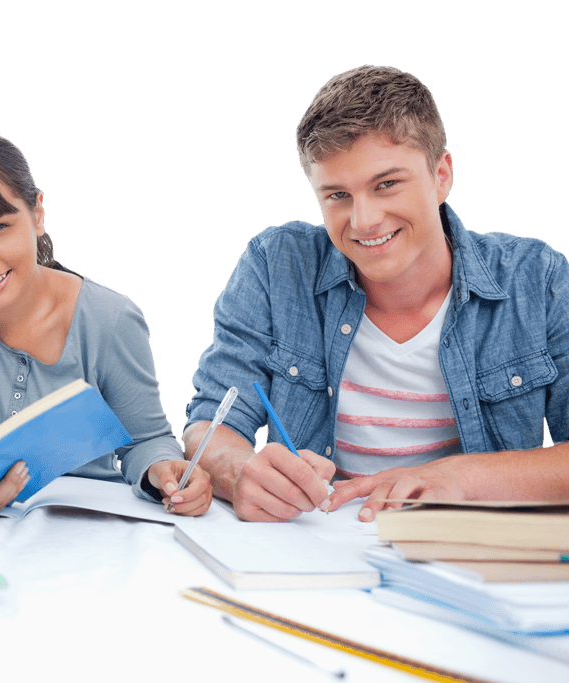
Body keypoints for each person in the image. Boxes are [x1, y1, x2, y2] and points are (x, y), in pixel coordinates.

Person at [185, 65, 569, 523]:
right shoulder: (276, 264)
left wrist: (458, 478)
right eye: (338, 195)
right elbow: (211, 421)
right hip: (315, 546)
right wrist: (239, 469)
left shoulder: (537, 278)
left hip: (468, 551)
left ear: (442, 175)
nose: (363, 220)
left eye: (386, 184)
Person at [0, 127, 210, 519]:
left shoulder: (111, 320)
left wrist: (162, 472)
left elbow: (147, 441)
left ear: (37, 212)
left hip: (87, 536)